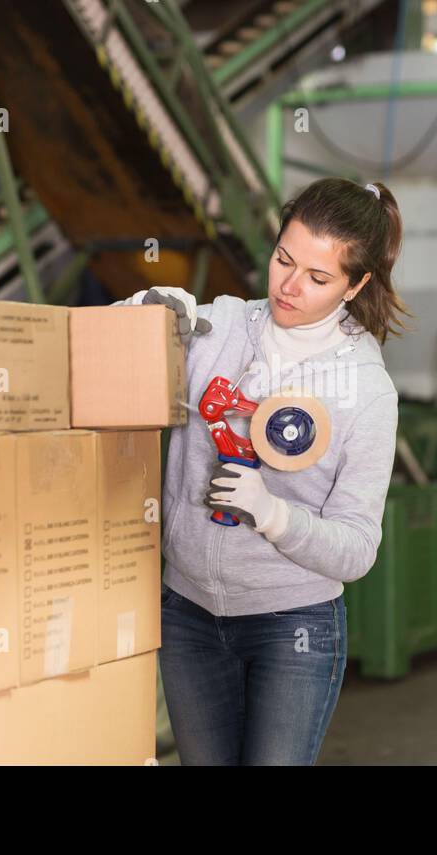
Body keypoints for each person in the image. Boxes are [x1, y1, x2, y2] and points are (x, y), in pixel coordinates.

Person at [119, 177, 408, 765]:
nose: (290, 286)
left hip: (292, 628)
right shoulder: (216, 329)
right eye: (283, 259)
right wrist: (139, 317)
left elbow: (357, 549)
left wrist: (275, 515)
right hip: (188, 613)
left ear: (356, 285)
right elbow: (107, 364)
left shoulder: (367, 392)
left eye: (319, 278)